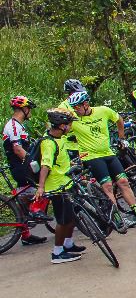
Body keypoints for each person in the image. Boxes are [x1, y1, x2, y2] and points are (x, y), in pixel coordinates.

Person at [66, 91, 136, 227]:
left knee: (123, 181)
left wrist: (122, 138)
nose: (75, 109)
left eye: (77, 106)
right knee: (108, 186)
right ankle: (118, 219)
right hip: (91, 157)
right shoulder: (73, 119)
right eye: (73, 107)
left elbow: (118, 119)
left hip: (108, 153)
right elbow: (61, 130)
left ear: (86, 104)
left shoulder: (102, 111)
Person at [32, 109, 85, 263]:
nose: (70, 127)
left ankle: (68, 244)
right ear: (62, 126)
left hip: (66, 181)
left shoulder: (60, 138)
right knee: (63, 220)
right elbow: (45, 166)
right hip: (57, 186)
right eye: (69, 124)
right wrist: (41, 187)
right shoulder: (48, 143)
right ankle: (57, 253)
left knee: (73, 214)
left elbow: (59, 160)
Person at [2, 96, 48, 247]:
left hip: (21, 166)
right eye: (30, 109)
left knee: (23, 198)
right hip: (21, 167)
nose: (30, 112)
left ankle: (26, 234)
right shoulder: (13, 126)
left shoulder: (18, 125)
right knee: (46, 185)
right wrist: (33, 162)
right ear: (24, 109)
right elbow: (17, 149)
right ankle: (35, 210)